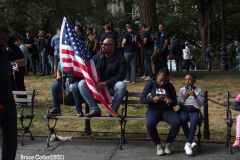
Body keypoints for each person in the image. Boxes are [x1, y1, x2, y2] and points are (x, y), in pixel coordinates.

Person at [78, 38, 127, 117]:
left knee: (121, 85)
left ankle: (113, 111)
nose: (103, 46)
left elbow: (121, 75)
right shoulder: (96, 58)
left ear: (113, 47)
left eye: (106, 44)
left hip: (112, 86)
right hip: (97, 86)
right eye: (102, 44)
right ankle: (95, 109)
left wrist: (106, 83)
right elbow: (90, 71)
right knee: (81, 83)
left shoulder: (121, 59)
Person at [140, 68, 181, 156]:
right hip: (153, 110)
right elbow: (142, 99)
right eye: (160, 80)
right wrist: (153, 100)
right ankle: (158, 144)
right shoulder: (150, 84)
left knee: (177, 121)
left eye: (165, 81)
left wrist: (169, 101)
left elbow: (175, 102)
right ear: (157, 77)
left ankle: (168, 144)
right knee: (150, 123)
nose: (162, 83)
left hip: (167, 110)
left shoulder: (169, 86)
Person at [0, 24, 24, 159]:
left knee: (10, 141)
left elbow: (19, 54)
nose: (4, 43)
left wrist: (10, 41)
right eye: (1, 40)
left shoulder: (5, 53)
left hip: (8, 101)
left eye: (6, 40)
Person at [178, 74, 202, 155]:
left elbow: (200, 104)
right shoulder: (181, 90)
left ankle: (188, 143)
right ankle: (191, 141)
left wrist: (195, 96)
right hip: (184, 109)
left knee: (194, 120)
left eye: (190, 79)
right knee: (183, 119)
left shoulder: (198, 90)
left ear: (194, 81)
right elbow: (179, 104)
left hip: (194, 109)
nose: (187, 81)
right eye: (186, 79)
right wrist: (184, 98)